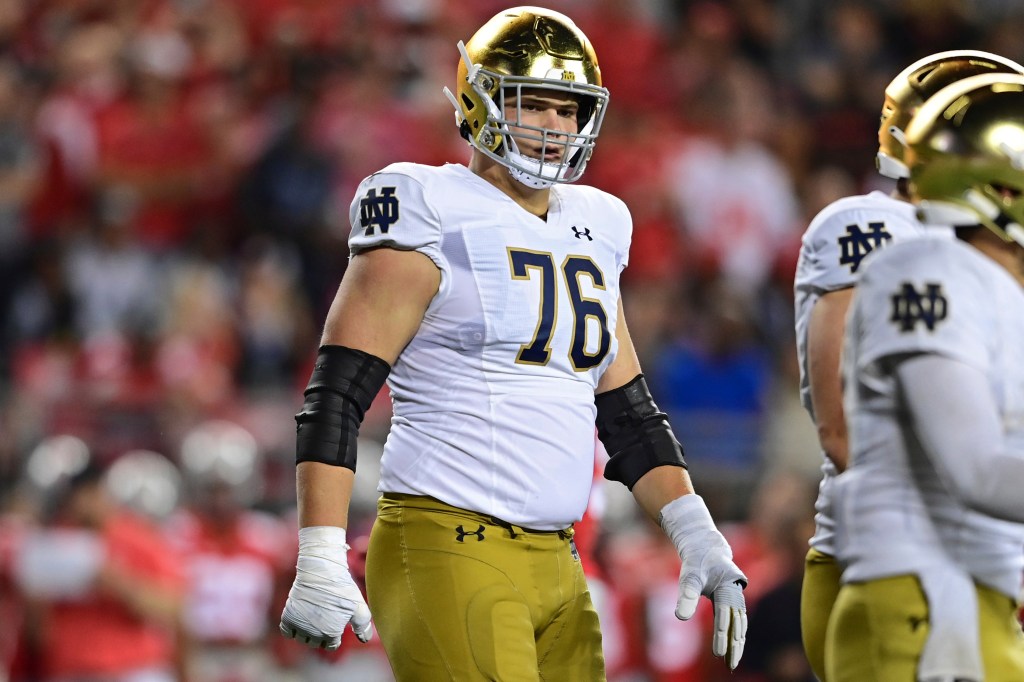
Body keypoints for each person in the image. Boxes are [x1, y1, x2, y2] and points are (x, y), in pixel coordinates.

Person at [277, 6, 747, 680]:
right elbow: (337, 395)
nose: (554, 128)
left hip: (559, 557)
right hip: (448, 540)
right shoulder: (427, 203)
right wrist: (319, 550)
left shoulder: (599, 221)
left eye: (569, 109)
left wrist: (695, 532)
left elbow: (628, 410)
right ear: (480, 98)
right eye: (535, 104)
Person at [791, 49, 1024, 682]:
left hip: (980, 572)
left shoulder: (989, 277)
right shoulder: (891, 243)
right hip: (906, 569)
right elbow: (842, 430)